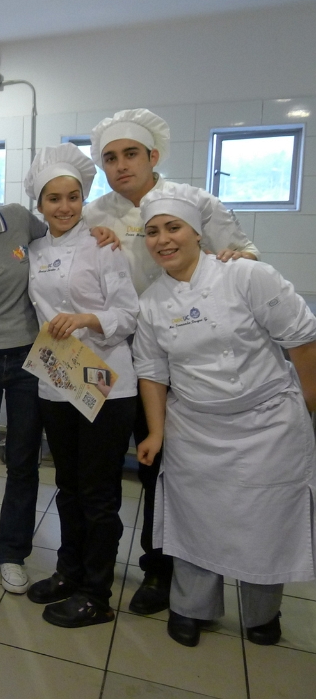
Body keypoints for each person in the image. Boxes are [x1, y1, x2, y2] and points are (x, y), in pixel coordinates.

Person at [0, 132, 119, 595]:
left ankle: (13, 552)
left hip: (35, 358)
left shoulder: (17, 218)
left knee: (24, 460)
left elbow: (62, 228)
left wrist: (100, 228)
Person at [84, 108, 260, 616]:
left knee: (161, 470)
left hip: (174, 358)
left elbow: (245, 256)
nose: (120, 165)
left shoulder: (194, 203)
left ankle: (160, 570)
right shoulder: (94, 213)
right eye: (110, 158)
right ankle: (91, 570)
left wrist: (238, 258)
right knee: (100, 469)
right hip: (108, 355)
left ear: (154, 156)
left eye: (130, 154)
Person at [132, 182, 316, 648]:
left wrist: (307, 407)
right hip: (195, 427)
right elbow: (152, 372)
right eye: (152, 232)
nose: (163, 240)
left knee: (265, 521)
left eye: (173, 228)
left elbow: (302, 338)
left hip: (267, 424)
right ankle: (191, 607)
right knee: (195, 520)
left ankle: (262, 614)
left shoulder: (248, 275)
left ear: (197, 232)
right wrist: (155, 432)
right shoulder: (151, 301)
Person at [22, 144, 140, 627]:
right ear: (39, 204)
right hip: (58, 380)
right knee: (68, 486)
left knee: (98, 492)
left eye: (73, 197)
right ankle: (69, 572)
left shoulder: (102, 244)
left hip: (106, 383)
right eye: (54, 198)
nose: (65, 206)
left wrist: (87, 318)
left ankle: (96, 592)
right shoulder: (34, 251)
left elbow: (129, 313)